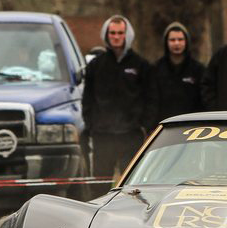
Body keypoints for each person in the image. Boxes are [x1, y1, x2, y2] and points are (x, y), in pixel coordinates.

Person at [83, 15, 149, 179]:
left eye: (120, 33)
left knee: (130, 182)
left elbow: (150, 97)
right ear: (106, 35)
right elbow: (88, 99)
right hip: (102, 135)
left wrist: (143, 124)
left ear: (127, 35)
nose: (116, 37)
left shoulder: (141, 65)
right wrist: (91, 125)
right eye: (112, 33)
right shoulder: (95, 65)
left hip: (131, 135)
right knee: (100, 183)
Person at [145, 22, 204, 130]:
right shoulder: (155, 69)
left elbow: (202, 101)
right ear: (166, 42)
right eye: (172, 40)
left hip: (191, 127)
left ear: (186, 42)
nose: (177, 43)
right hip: (163, 128)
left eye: (180, 39)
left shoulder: (198, 70)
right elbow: (151, 101)